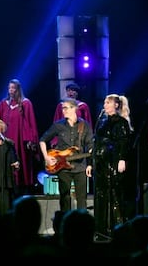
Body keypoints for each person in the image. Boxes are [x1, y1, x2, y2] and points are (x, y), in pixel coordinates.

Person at [87, 93, 132, 239]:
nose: (105, 105)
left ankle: (116, 228)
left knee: (114, 195)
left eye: (108, 102)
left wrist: (122, 159)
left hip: (113, 162)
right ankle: (101, 229)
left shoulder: (121, 122)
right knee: (100, 195)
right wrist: (90, 163)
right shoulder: (102, 121)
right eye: (104, 102)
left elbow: (123, 142)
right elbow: (96, 141)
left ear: (116, 105)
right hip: (100, 163)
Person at [40, 98, 93, 212]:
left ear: (74, 108)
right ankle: (65, 225)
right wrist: (46, 157)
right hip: (62, 167)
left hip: (80, 168)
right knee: (64, 198)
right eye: (62, 108)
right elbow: (43, 140)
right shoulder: (58, 125)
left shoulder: (85, 125)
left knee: (81, 199)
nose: (63, 110)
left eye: (66, 108)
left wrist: (90, 164)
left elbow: (90, 146)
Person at [0, 78, 40, 193]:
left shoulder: (26, 103)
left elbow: (31, 123)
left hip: (21, 139)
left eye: (13, 88)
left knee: (22, 162)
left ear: (18, 90)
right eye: (9, 88)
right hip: (6, 138)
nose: (11, 91)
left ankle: (22, 187)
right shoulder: (3, 104)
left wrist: (31, 139)